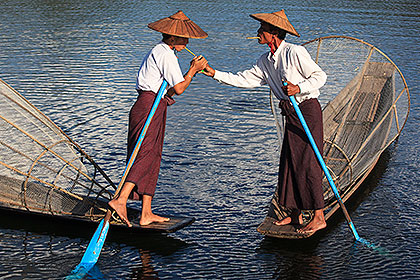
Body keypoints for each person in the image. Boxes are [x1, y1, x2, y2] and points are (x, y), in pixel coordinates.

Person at [203, 10, 327, 234]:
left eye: (262, 30)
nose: (258, 33)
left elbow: (320, 77)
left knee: (309, 161)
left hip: (307, 110)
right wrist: (214, 73)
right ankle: (294, 213)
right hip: (290, 113)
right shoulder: (265, 60)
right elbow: (244, 79)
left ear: (274, 34)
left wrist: (299, 87)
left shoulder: (295, 52)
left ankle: (319, 216)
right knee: (290, 161)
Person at [109, 11, 208, 227]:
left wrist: (194, 72)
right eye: (183, 38)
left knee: (153, 156)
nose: (187, 41)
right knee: (145, 154)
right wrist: (192, 70)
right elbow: (180, 88)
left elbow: (169, 92)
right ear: (172, 38)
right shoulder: (165, 54)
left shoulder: (165, 53)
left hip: (155, 105)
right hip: (147, 107)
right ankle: (121, 199)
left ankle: (146, 213)